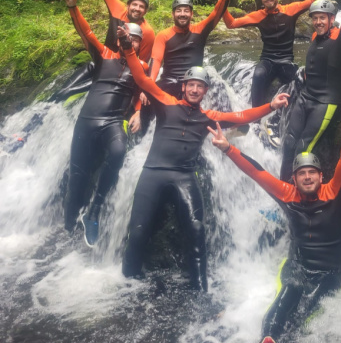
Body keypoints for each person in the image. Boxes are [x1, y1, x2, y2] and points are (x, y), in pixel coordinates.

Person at [117, 25, 290, 290]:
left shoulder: (209, 117)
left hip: (185, 176)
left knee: (197, 229)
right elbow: (142, 80)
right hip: (152, 173)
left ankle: (200, 288)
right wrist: (129, 48)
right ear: (183, 87)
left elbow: (241, 117)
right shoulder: (166, 102)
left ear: (205, 91)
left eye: (200, 87)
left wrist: (272, 106)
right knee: (138, 231)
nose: (195, 90)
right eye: (191, 85)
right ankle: (126, 284)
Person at [208, 94, 341, 343]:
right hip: (299, 265)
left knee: (306, 310)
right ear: (294, 179)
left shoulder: (333, 191)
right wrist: (227, 149)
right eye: (302, 174)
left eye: (312, 172)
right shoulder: (287, 194)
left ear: (320, 175)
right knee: (284, 299)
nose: (307, 177)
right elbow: (256, 172)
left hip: (330, 272)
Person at [62, 0, 149, 247]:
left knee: (118, 152)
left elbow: (149, 90)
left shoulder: (142, 67)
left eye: (135, 39)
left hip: (113, 122)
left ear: (139, 42)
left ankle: (95, 210)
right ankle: (67, 224)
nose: (130, 41)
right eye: (127, 36)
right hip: (86, 121)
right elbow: (87, 33)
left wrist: (139, 112)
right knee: (77, 174)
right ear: (120, 36)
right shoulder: (105, 54)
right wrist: (73, 6)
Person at [279, 0, 341, 182]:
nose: (318, 22)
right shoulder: (315, 36)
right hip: (306, 96)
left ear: (331, 20)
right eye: (315, 18)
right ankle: (281, 188)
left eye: (322, 18)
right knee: (288, 142)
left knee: (304, 147)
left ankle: (298, 196)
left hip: (325, 102)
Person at [127, 0, 237, 133]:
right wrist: (148, 86)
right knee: (148, 98)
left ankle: (230, 126)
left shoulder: (200, 30)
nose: (183, 14)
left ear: (192, 14)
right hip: (170, 81)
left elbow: (217, 13)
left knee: (218, 85)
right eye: (179, 11)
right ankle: (140, 128)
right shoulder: (164, 35)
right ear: (173, 14)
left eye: (186, 11)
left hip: (194, 81)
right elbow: (156, 61)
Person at [221, 0, 323, 108]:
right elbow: (230, 24)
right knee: (258, 75)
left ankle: (299, 113)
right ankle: (255, 117)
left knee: (300, 79)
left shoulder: (290, 10)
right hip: (267, 60)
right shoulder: (258, 15)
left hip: (286, 61)